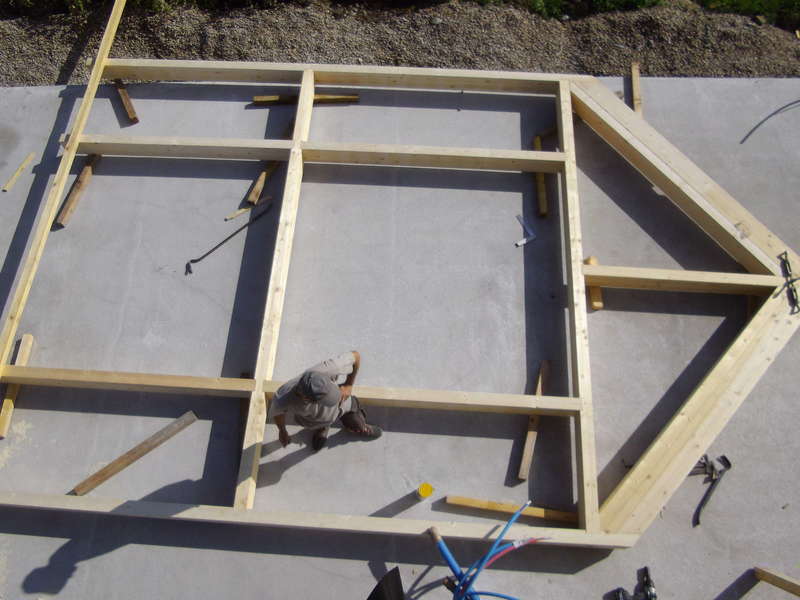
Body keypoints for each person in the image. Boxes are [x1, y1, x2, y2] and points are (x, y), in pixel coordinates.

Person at [268, 350, 382, 452]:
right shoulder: (282, 399)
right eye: (326, 400)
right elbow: (278, 412)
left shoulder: (329, 368)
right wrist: (282, 431)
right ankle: (323, 427)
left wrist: (349, 384)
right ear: (307, 399)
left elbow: (356, 356)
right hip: (313, 420)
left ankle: (362, 426)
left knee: (357, 424)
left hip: (343, 405)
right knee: (317, 422)